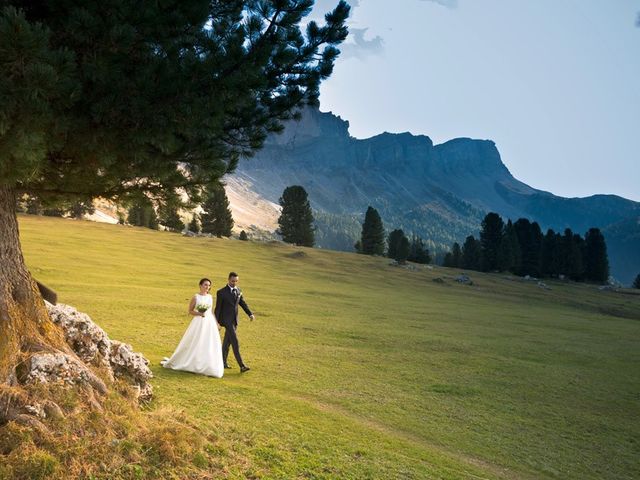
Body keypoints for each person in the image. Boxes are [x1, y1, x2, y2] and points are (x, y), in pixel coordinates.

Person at [161, 278, 224, 377]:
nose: (207, 287)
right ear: (200, 285)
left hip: (209, 323)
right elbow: (190, 311)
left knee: (209, 343)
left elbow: (211, 312)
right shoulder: (196, 297)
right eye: (205, 285)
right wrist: (199, 313)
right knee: (195, 341)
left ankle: (207, 364)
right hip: (198, 322)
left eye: (208, 285)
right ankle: (191, 362)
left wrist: (216, 323)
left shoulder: (210, 297)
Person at [215, 272, 255, 373]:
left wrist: (250, 314)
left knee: (227, 342)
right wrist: (216, 322)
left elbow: (242, 303)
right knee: (235, 341)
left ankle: (222, 362)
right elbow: (218, 308)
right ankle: (242, 365)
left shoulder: (239, 290)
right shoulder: (221, 292)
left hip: (234, 321)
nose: (234, 283)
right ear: (228, 280)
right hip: (225, 320)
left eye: (236, 281)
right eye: (232, 281)